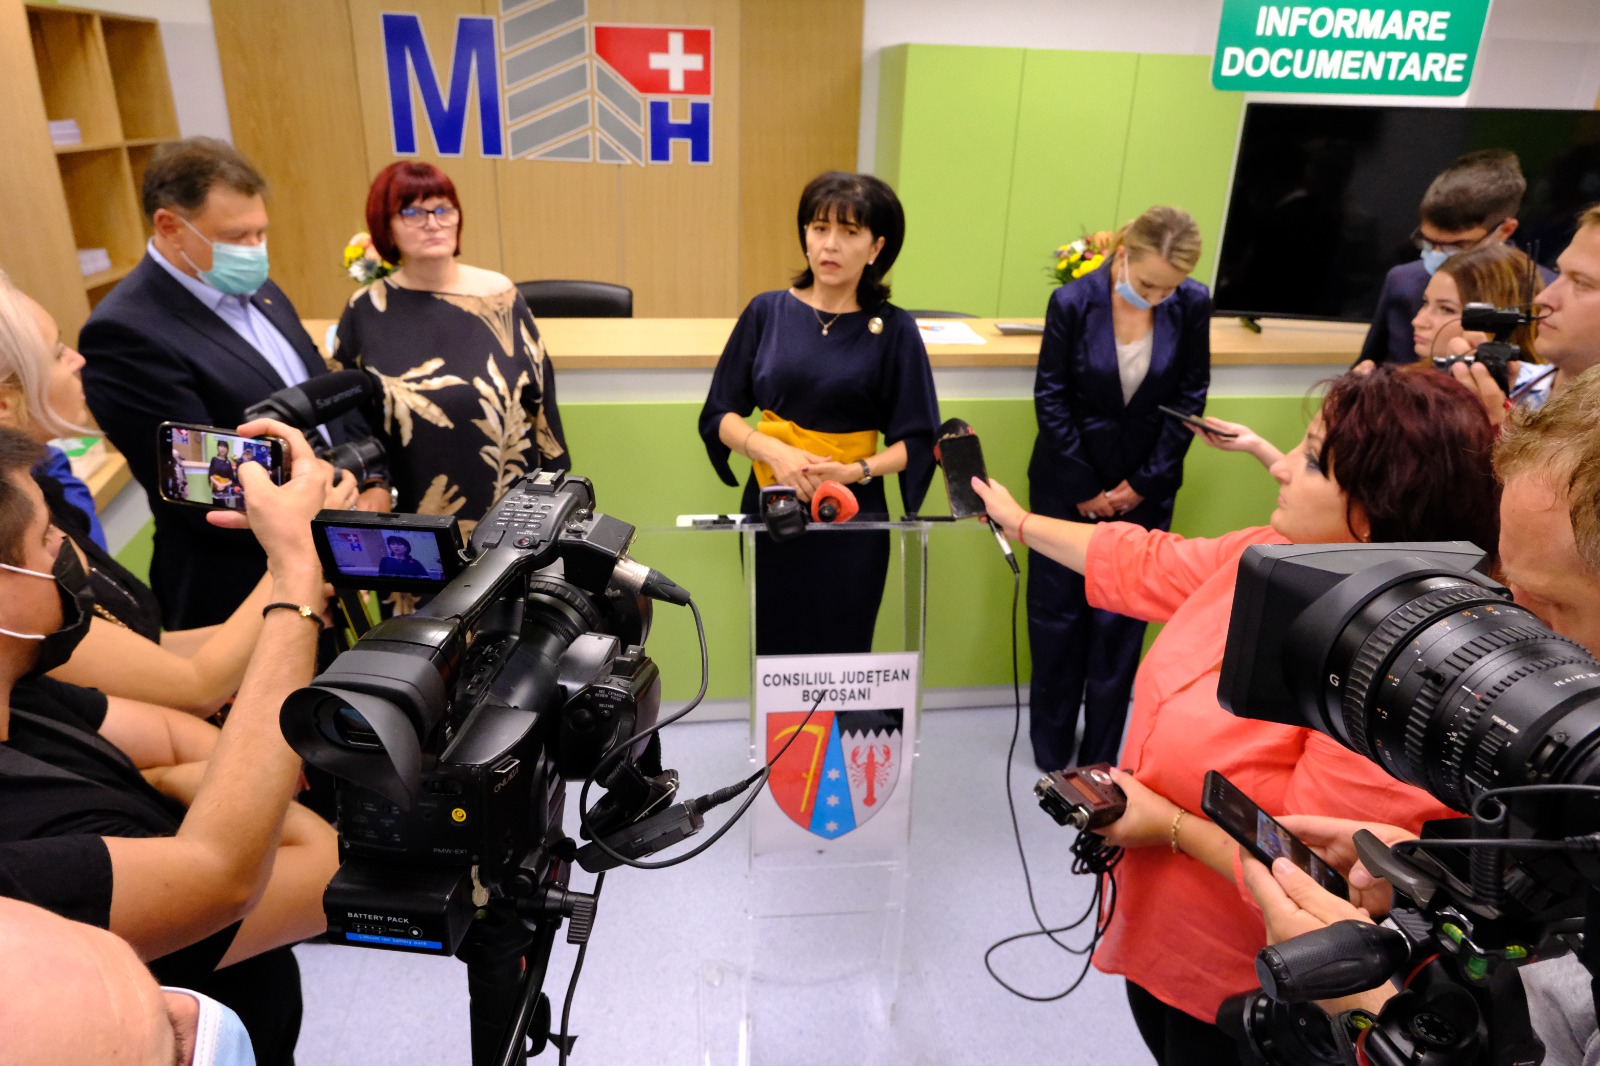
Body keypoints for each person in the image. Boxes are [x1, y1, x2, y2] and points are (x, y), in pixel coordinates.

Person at [972, 367, 1499, 1064]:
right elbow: (1146, 560)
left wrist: (1170, 825)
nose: (1279, 466)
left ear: (1374, 511)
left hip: (1259, 982)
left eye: (1310, 461)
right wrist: (1018, 522)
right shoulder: (1275, 558)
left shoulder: (1400, 678)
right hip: (1157, 925)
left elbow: (1320, 876)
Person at [0, 418, 339, 1065]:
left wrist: (177, 781)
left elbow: (171, 737)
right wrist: (295, 572)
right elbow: (278, 870)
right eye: (44, 537)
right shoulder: (23, 852)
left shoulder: (26, 694)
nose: (67, 552)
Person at [0, 270, 357, 715]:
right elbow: (194, 687)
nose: (77, 359)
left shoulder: (46, 493)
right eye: (57, 353)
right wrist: (297, 549)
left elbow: (149, 650)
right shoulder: (16, 556)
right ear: (5, 403)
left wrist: (294, 601)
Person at [79, 136, 389, 629]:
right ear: (169, 226)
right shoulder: (124, 332)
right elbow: (203, 481)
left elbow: (321, 389)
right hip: (238, 588)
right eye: (237, 236)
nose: (254, 249)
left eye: (260, 232)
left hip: (327, 552)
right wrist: (326, 513)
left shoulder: (256, 285)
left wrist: (370, 482)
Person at [697, 171, 940, 655]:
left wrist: (856, 470)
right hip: (773, 504)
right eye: (819, 227)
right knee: (775, 650)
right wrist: (772, 451)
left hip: (853, 514)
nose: (830, 244)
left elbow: (918, 441)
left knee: (843, 650)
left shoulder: (895, 330)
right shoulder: (766, 312)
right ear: (804, 234)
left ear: (876, 248)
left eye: (849, 232)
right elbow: (720, 413)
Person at [1026, 205, 1210, 771]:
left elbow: (1190, 397)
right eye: (1147, 285)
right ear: (1123, 255)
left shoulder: (1192, 302)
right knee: (1057, 618)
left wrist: (1142, 484)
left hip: (1144, 488)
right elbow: (1051, 397)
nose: (1156, 298)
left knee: (1120, 624)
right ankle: (1051, 750)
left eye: (1168, 290)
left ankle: (1101, 756)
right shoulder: (1072, 302)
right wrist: (1084, 486)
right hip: (1067, 483)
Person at [332, 160, 568, 532]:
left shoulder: (500, 296)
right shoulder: (367, 308)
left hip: (510, 509)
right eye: (413, 212)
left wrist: (557, 492)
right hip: (413, 509)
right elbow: (349, 417)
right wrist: (372, 482)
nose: (433, 222)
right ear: (385, 226)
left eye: (443, 209)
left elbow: (542, 406)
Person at [1357, 149, 1538, 369]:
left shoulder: (1542, 293)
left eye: (1458, 245)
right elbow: (1370, 362)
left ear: (1505, 230)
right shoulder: (1402, 281)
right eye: (1429, 241)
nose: (1438, 253)